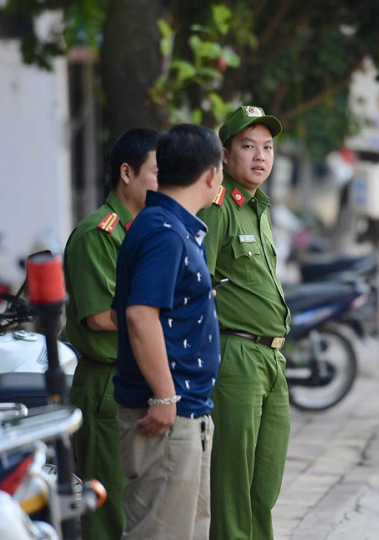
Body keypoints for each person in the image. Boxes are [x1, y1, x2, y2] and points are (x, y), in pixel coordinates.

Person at [112, 124, 223, 540]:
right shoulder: (163, 231)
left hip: (184, 410)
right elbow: (141, 315)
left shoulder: (171, 226)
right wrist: (163, 395)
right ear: (212, 175)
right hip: (165, 415)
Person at [197, 105, 290, 540]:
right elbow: (196, 283)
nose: (260, 156)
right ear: (226, 153)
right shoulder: (219, 208)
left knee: (264, 485)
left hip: (272, 358)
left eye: (267, 147)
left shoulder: (259, 208)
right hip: (237, 357)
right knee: (234, 485)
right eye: (248, 146)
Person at [62, 128, 158, 540]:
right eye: (156, 172)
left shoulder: (145, 232)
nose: (163, 181)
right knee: (108, 512)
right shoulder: (96, 234)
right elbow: (101, 316)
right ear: (126, 173)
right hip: (105, 384)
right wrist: (156, 314)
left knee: (139, 506)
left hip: (137, 379)